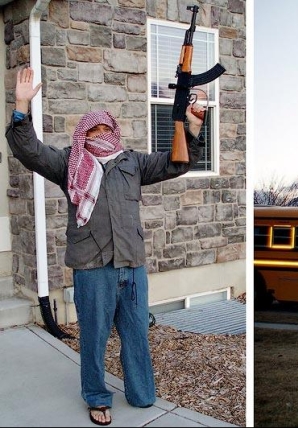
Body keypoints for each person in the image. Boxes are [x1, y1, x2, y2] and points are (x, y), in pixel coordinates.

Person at [6, 67, 205, 426]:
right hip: (92, 266)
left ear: (114, 132)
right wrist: (21, 109)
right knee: (95, 338)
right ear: (83, 135)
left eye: (105, 129)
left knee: (136, 334)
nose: (100, 135)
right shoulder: (70, 163)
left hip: (131, 263)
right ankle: (97, 397)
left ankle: (141, 392)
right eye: (93, 130)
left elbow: (178, 162)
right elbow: (29, 151)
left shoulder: (133, 162)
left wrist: (190, 127)